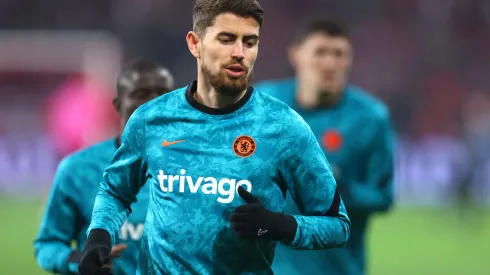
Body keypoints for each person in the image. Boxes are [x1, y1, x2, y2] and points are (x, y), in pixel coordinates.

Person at [78, 1, 351, 275]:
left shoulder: (283, 127)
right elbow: (115, 190)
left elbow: (337, 226)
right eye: (227, 39)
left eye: (250, 41)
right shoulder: (151, 119)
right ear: (195, 43)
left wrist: (278, 225)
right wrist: (99, 236)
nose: (240, 53)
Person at [254, 18, 395, 275]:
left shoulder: (371, 118)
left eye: (339, 54)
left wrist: (340, 188)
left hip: (336, 267)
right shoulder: (263, 105)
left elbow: (383, 196)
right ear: (296, 55)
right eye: (320, 52)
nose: (330, 63)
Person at [34, 59, 175, 275]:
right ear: (117, 106)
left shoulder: (198, 164)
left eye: (163, 94)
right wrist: (77, 259)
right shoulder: (78, 169)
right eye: (141, 94)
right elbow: (48, 245)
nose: (153, 103)